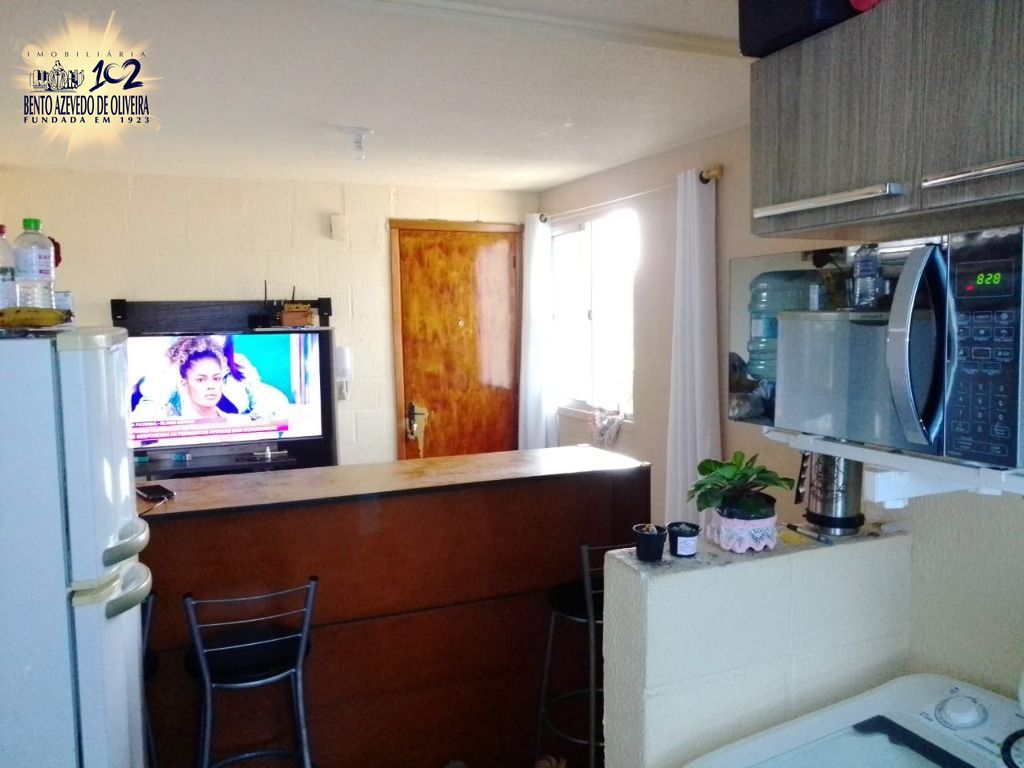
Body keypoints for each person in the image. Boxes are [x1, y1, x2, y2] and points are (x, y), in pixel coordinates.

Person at [134, 336, 230, 420]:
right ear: (184, 383)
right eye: (201, 380)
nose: (211, 386)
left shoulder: (234, 421)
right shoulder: (169, 421)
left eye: (216, 378)